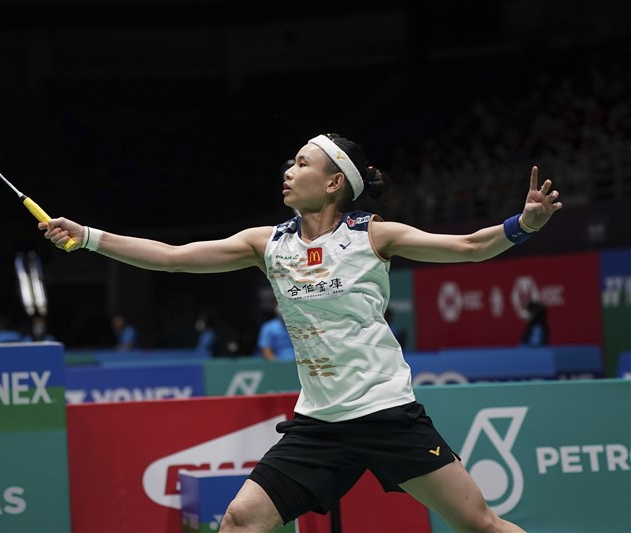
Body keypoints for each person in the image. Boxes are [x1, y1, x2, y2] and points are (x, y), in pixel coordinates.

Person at [40, 133, 562, 532]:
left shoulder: (372, 236)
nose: (289, 172)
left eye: (302, 163)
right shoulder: (267, 244)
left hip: (385, 415)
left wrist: (524, 225)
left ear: (334, 183)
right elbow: (172, 258)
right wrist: (88, 237)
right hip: (320, 424)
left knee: (480, 525)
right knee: (240, 520)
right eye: (291, 164)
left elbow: (469, 246)